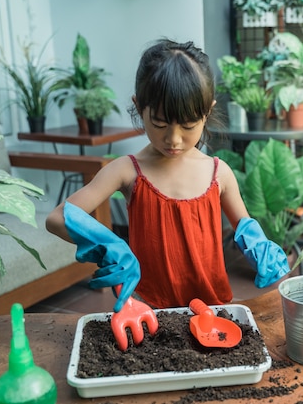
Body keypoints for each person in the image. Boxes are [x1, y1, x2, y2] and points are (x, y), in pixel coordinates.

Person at [46, 38, 289, 312]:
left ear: (207, 111)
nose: (173, 139)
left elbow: (244, 225)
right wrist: (107, 245)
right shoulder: (126, 170)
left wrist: (260, 247)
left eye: (188, 125)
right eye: (160, 124)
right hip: (148, 309)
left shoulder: (219, 173)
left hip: (212, 310)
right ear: (139, 108)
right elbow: (57, 218)